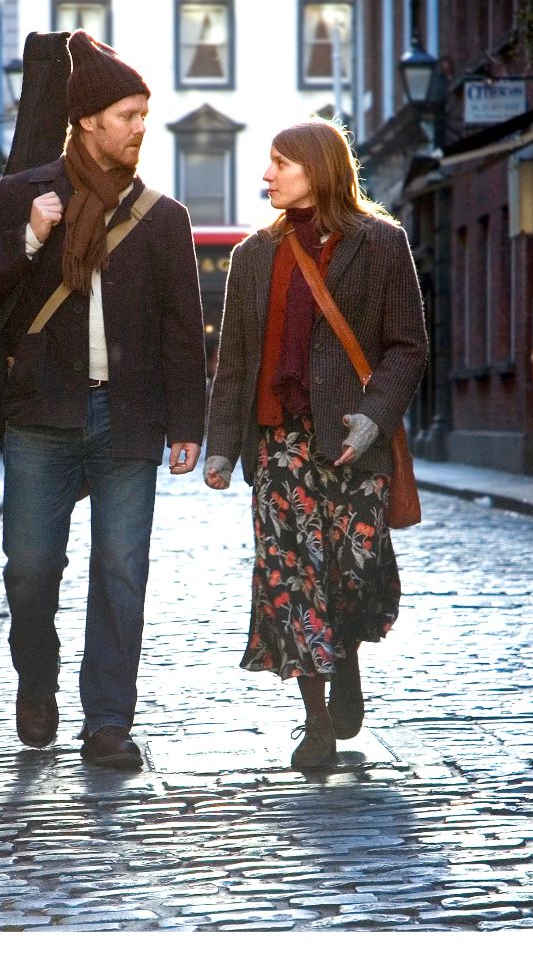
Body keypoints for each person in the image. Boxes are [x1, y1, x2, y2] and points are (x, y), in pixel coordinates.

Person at [0, 30, 207, 768]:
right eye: (128, 113)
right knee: (30, 569)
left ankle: (107, 724)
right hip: (40, 415)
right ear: (90, 119)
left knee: (121, 572)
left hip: (128, 418)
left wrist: (185, 422)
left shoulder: (162, 217)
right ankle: (37, 678)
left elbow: (181, 329)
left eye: (143, 115)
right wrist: (29, 240)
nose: (138, 128)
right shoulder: (24, 193)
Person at [204, 119, 427, 770]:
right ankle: (315, 720)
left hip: (352, 442)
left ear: (318, 168)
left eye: (279, 163)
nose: (266, 176)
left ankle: (346, 658)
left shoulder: (381, 243)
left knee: (350, 577)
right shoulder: (252, 256)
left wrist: (372, 418)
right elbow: (236, 361)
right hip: (278, 443)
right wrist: (222, 446)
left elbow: (407, 346)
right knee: (292, 579)